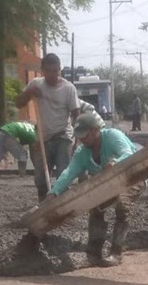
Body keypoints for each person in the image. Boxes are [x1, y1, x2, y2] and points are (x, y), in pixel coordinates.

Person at [48, 113, 141, 267]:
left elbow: (128, 153)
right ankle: (94, 253)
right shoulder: (82, 152)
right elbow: (69, 172)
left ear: (96, 130)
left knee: (122, 204)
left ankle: (116, 252)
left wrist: (115, 163)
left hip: (132, 176)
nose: (82, 139)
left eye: (85, 135)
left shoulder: (112, 136)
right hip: (108, 184)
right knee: (96, 206)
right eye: (80, 136)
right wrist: (54, 192)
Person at [15, 53, 80, 200]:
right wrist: (29, 93)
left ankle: (62, 209)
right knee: (41, 178)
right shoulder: (36, 84)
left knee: (63, 176)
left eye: (55, 71)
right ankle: (44, 208)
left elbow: (77, 114)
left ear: (60, 70)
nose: (52, 74)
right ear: (42, 70)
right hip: (42, 138)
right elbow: (19, 103)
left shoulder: (68, 88)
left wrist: (78, 138)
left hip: (63, 136)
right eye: (48, 71)